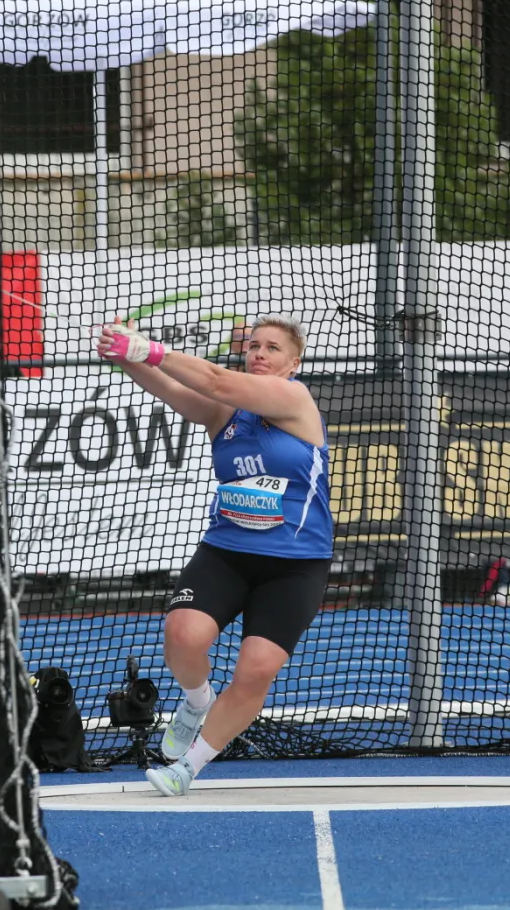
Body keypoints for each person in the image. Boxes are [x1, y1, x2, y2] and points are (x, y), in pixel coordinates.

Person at [94, 313, 332, 795]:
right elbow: (170, 389)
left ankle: (190, 766)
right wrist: (125, 355)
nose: (260, 354)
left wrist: (150, 347)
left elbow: (216, 379)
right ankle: (196, 700)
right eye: (254, 347)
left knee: (256, 669)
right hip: (227, 551)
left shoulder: (294, 398)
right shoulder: (225, 413)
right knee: (183, 635)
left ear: (293, 363)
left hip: (294, 565)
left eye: (271, 349)